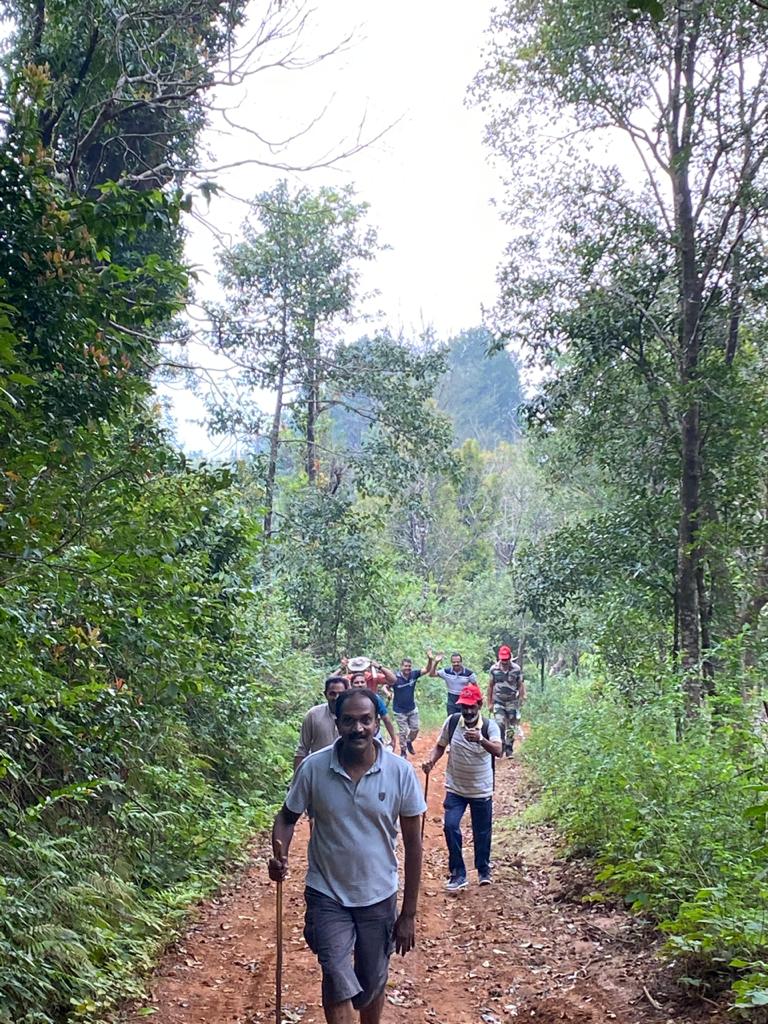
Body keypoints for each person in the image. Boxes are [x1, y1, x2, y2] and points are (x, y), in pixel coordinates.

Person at [269, 688, 426, 1024]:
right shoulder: (313, 768)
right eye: (350, 720)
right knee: (337, 978)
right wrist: (279, 854)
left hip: (378, 894)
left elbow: (414, 845)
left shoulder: (400, 772)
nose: (358, 728)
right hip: (326, 893)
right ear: (336, 723)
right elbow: (286, 817)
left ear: (376, 723)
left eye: (366, 720)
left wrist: (409, 912)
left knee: (371, 983)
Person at [422, 683, 502, 891]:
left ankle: (483, 869)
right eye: (463, 706)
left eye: (471, 707)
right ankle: (458, 873)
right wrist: (431, 761)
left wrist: (481, 740)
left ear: (479, 705)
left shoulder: (489, 726)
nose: (467, 711)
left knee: (482, 832)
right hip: (456, 788)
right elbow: (440, 746)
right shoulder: (452, 722)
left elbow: (498, 750)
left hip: (481, 789)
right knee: (450, 826)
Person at [294, 675, 350, 772]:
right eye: (332, 693)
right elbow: (302, 750)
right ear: (325, 694)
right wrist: (296, 779)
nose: (336, 697)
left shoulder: (353, 717)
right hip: (318, 771)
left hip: (347, 771)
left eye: (340, 694)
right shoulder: (313, 715)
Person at [391, 652, 435, 758]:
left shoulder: (413, 674)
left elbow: (427, 670)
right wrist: (388, 693)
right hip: (399, 710)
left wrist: (430, 659)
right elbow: (385, 686)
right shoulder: (395, 677)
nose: (407, 668)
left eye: (409, 666)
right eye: (405, 666)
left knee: (415, 728)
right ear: (401, 666)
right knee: (403, 731)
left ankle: (409, 741)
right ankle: (403, 751)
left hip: (412, 708)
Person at [487, 645, 526, 757]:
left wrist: (521, 698)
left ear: (510, 657)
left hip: (512, 701)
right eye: (502, 659)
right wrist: (489, 703)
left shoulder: (516, 669)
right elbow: (490, 686)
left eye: (506, 659)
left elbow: (520, 684)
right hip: (498, 701)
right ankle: (501, 746)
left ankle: (509, 749)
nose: (504, 662)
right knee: (499, 723)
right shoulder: (494, 669)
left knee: (511, 725)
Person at [348, 667, 399, 748]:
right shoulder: (347, 700)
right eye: (356, 683)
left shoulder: (375, 698)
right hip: (352, 736)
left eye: (362, 682)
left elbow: (386, 718)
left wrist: (393, 738)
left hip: (374, 736)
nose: (360, 684)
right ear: (351, 684)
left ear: (366, 683)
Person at [429, 651, 478, 716]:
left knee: (464, 721)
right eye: (454, 662)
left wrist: (476, 701)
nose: (456, 664)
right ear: (451, 662)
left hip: (464, 701)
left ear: (461, 662)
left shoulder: (469, 673)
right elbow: (431, 674)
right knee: (451, 720)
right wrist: (436, 662)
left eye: (458, 662)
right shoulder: (446, 672)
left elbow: (476, 688)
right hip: (451, 701)